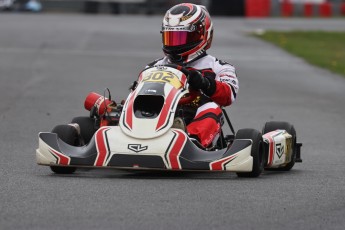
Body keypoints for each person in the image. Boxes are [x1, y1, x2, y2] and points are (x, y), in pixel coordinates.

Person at [146, 3, 239, 148]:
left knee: (211, 107)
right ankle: (115, 134)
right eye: (171, 37)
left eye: (181, 37)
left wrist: (205, 84)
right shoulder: (154, 66)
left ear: (202, 35)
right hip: (157, 114)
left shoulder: (219, 67)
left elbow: (229, 95)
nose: (175, 44)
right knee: (101, 103)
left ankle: (188, 141)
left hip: (194, 117)